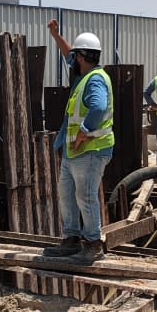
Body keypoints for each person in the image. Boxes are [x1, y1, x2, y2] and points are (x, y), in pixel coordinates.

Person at [43, 20, 114, 262]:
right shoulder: (84, 75)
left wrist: (83, 130)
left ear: (82, 57)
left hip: (90, 150)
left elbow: (99, 107)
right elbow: (67, 53)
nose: (71, 59)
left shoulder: (94, 79)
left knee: (85, 196)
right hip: (74, 152)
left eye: (75, 56)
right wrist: (55, 35)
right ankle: (71, 239)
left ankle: (93, 244)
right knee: (67, 194)